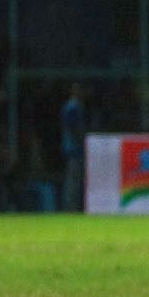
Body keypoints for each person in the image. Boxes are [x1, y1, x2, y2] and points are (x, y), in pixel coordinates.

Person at [59, 83, 86, 212]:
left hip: (74, 148)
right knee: (73, 180)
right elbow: (73, 128)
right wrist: (82, 141)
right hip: (73, 149)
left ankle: (74, 206)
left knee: (75, 180)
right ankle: (70, 208)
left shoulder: (75, 106)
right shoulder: (72, 107)